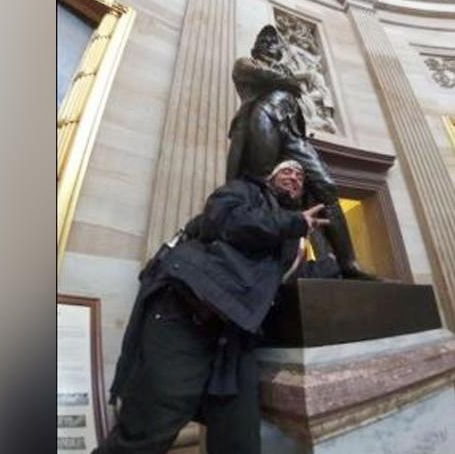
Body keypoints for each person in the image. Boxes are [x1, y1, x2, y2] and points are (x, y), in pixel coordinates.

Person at [94, 160, 328, 454]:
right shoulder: (246, 190)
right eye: (287, 171)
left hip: (235, 333)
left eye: (300, 177)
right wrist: (295, 223)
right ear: (270, 177)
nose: (295, 178)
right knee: (148, 432)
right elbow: (224, 219)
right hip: (187, 312)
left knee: (239, 441)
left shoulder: (294, 236)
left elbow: (286, 284)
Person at [227, 24, 375, 280]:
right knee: (260, 183)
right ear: (257, 46)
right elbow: (262, 75)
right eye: (266, 41)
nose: (270, 45)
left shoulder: (284, 69)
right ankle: (261, 260)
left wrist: (291, 80)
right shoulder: (246, 62)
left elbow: (294, 85)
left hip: (293, 132)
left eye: (274, 43)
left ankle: (348, 263)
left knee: (326, 185)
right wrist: (289, 81)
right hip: (263, 120)